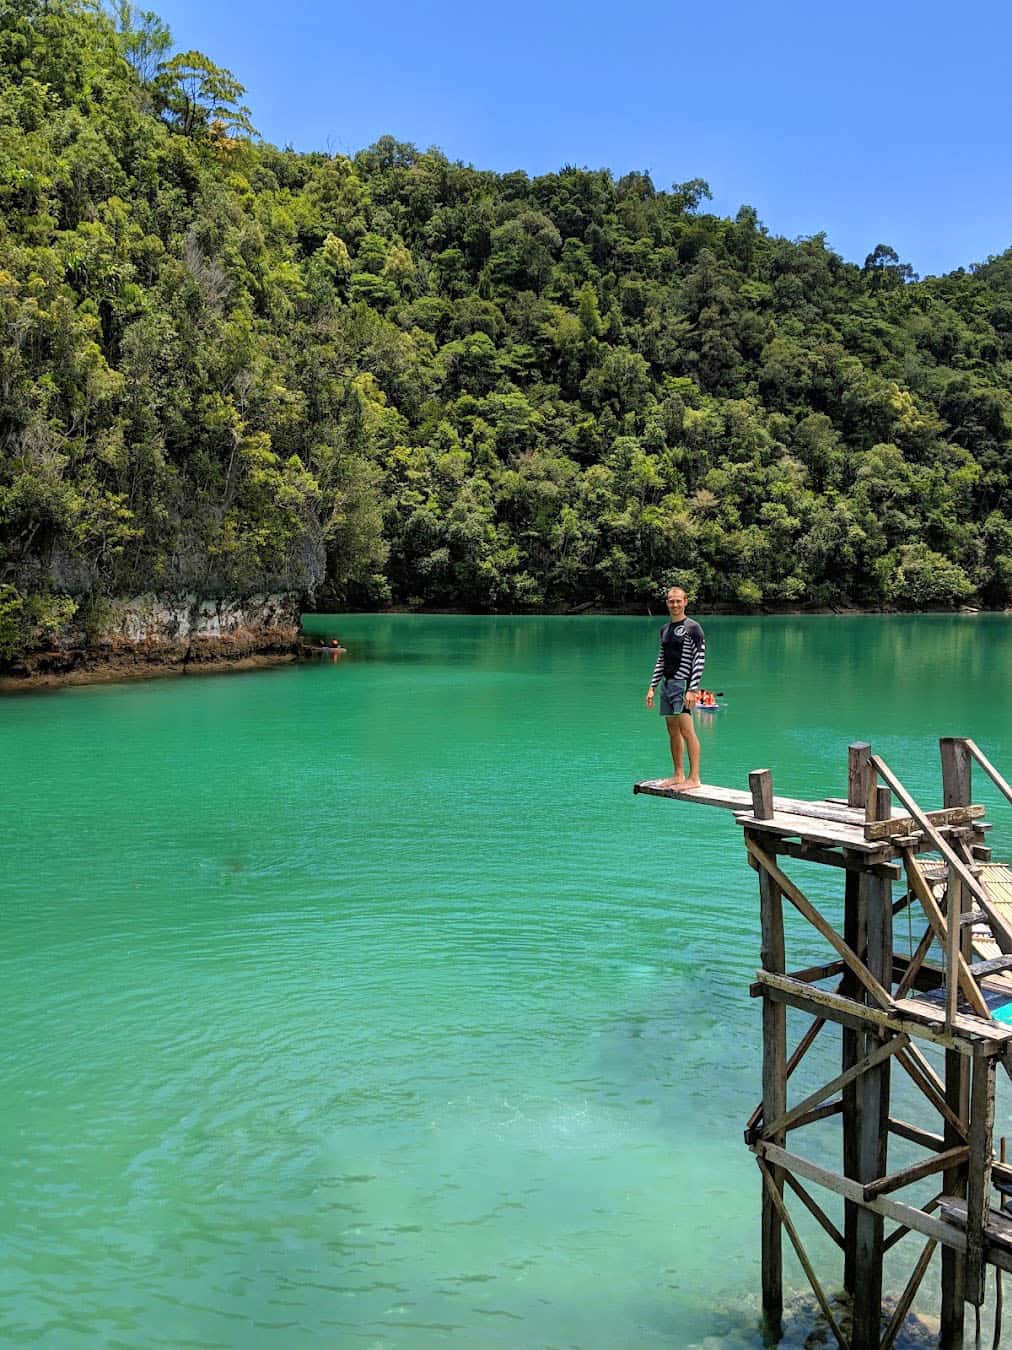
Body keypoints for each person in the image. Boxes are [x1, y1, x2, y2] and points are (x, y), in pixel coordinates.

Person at [644, 585, 706, 789]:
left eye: (679, 600)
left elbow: (699, 658)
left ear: (686, 601)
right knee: (672, 731)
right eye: (671, 601)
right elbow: (661, 659)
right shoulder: (665, 629)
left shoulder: (693, 627)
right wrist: (653, 686)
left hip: (683, 685)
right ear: (667, 603)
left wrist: (693, 689)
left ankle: (694, 777)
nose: (675, 604)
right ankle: (678, 774)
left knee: (687, 731)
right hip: (667, 684)